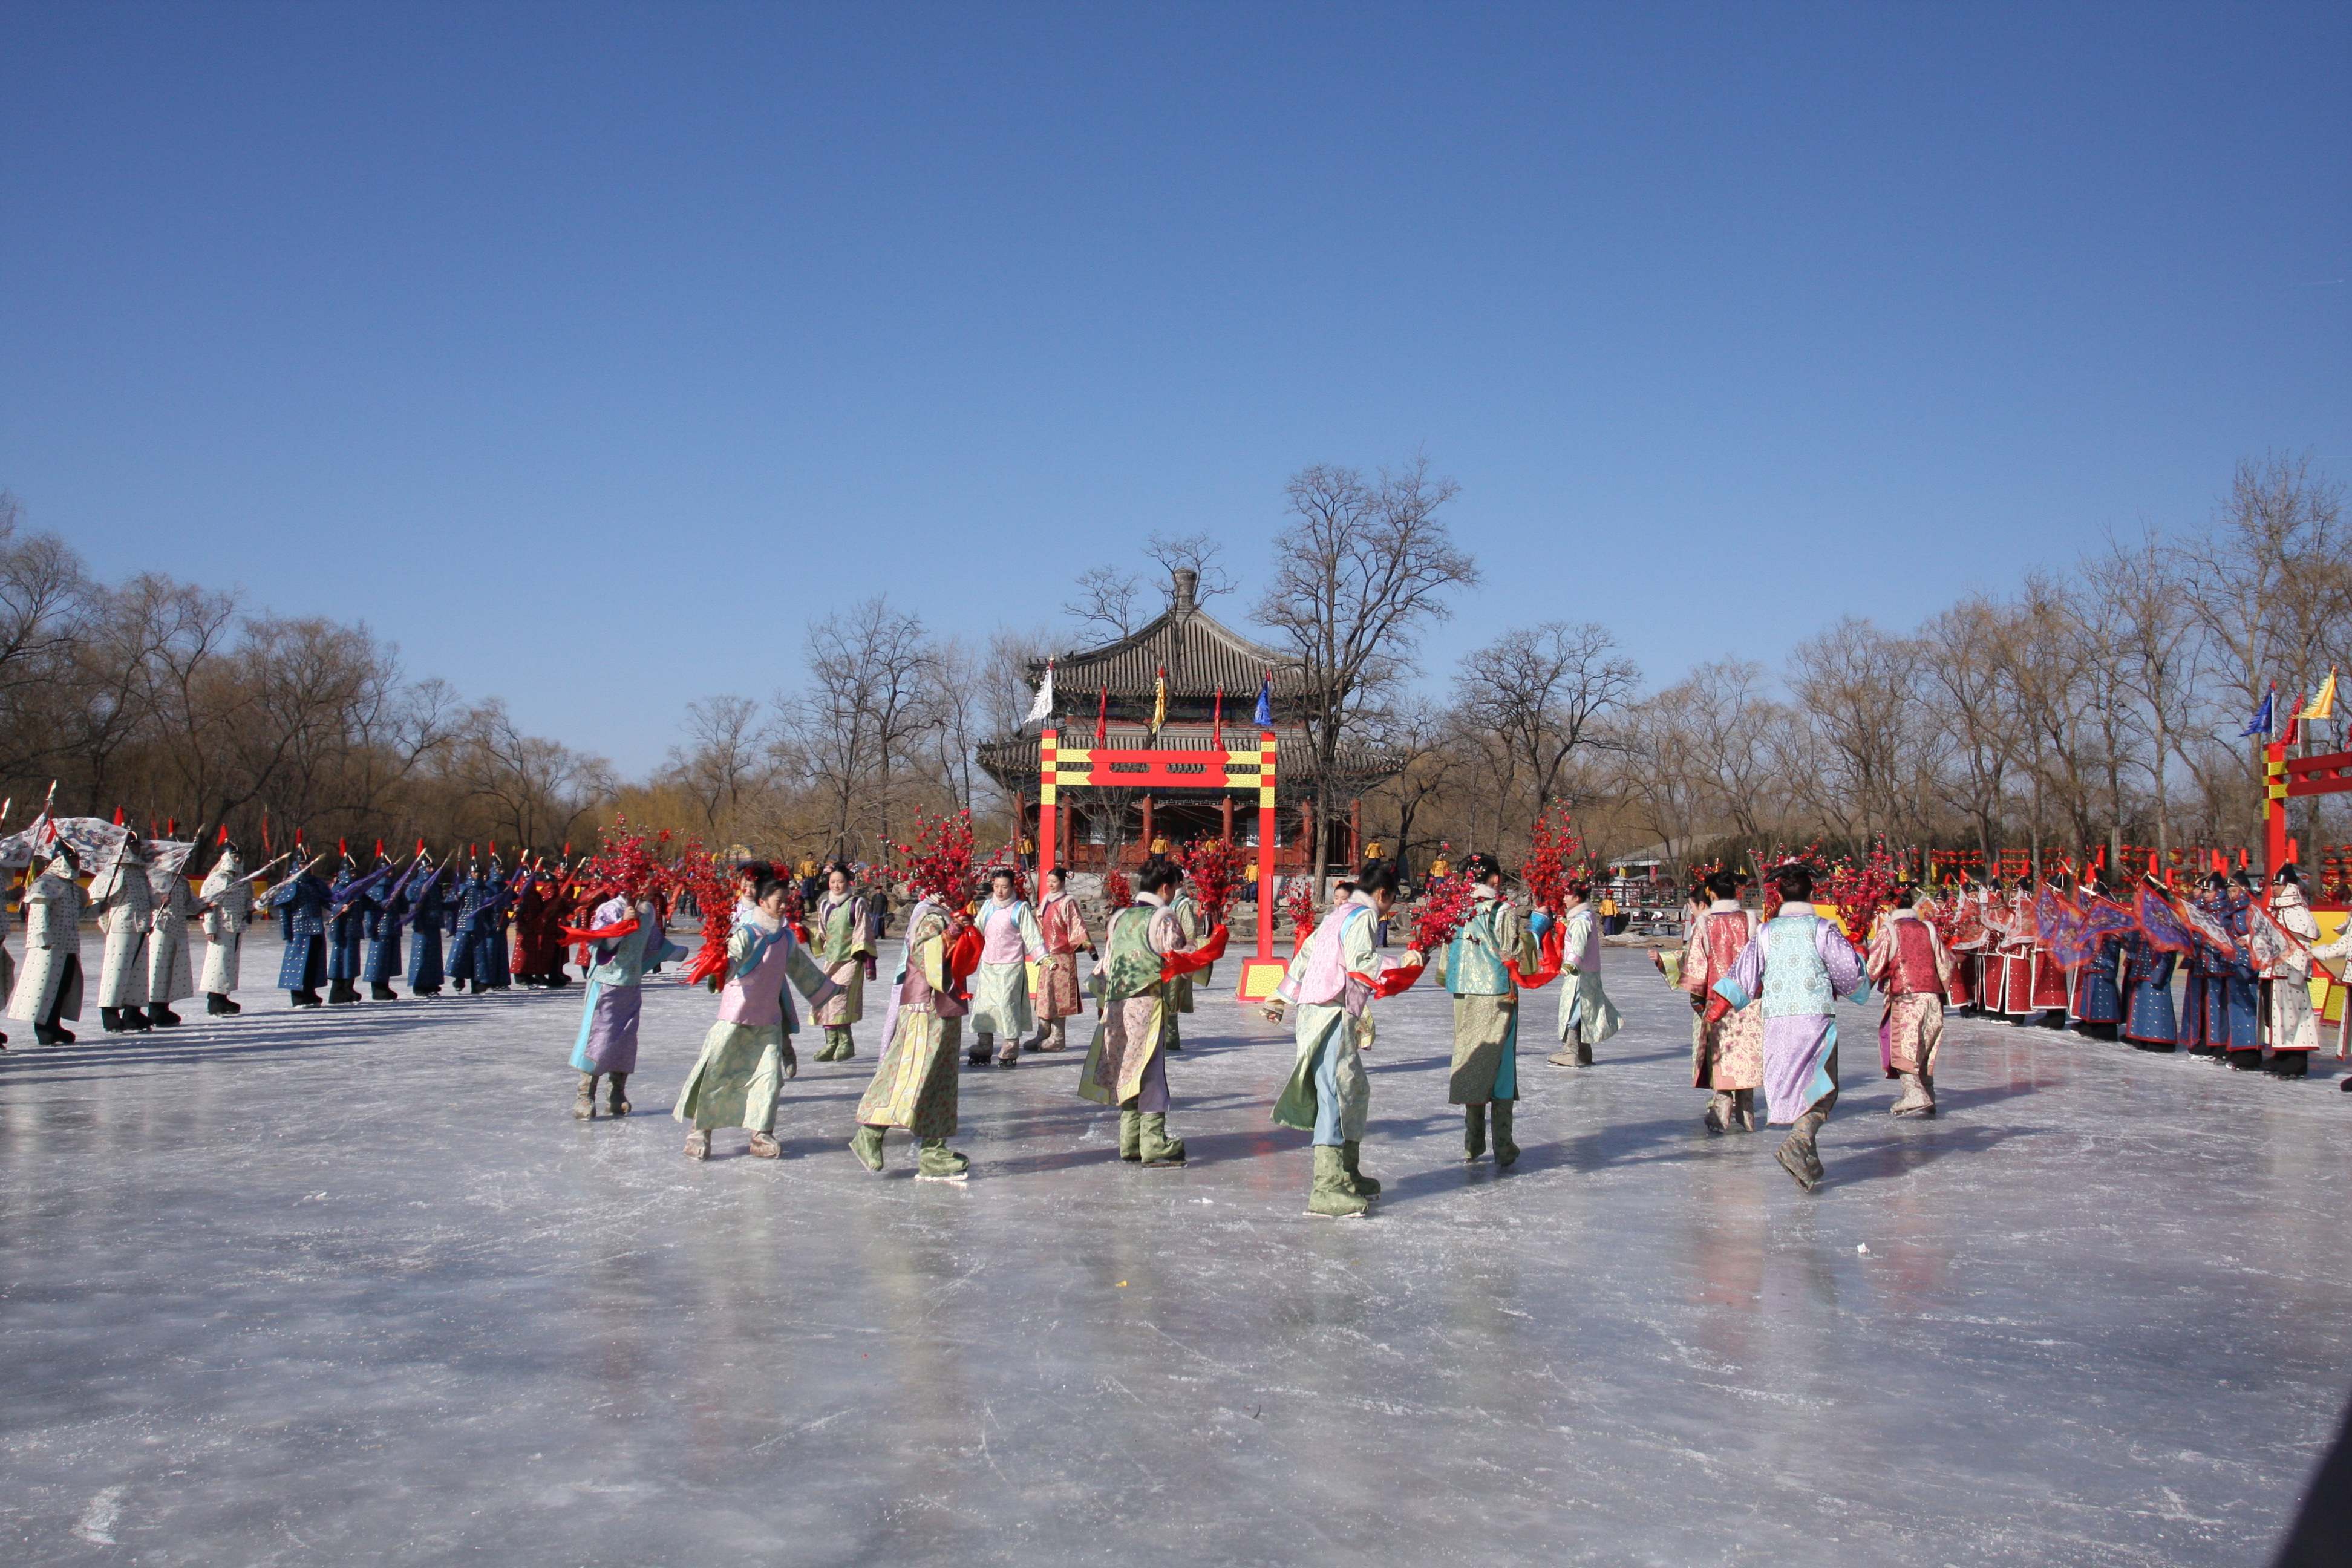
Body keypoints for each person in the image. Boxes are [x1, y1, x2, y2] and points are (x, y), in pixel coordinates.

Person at [1270, 860, 1421, 1217]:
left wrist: (1281, 996)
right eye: (1390, 903)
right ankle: (1327, 1186)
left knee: (1351, 1088)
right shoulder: (1364, 916)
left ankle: (1347, 1173)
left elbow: (1306, 954)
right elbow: (1361, 962)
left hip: (1316, 1009)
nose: (1387, 912)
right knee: (1338, 1092)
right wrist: (1406, 961)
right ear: (1382, 894)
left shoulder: (1339, 914)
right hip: (1330, 1010)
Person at [1709, 864, 1872, 1192]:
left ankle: (1805, 1158)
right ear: (1812, 894)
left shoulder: (1768, 933)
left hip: (1777, 1021)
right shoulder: (1823, 929)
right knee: (1824, 1086)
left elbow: (1744, 972)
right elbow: (1848, 973)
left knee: (1796, 1085)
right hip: (1814, 1019)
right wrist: (1861, 961)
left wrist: (1720, 1006)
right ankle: (1800, 1141)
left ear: (1779, 895)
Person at [675, 872, 838, 1159]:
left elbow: (803, 971)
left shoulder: (786, 937)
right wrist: (720, 966)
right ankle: (700, 1131)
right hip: (736, 1017)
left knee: (768, 1080)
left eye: (787, 901)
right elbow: (729, 963)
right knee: (718, 1076)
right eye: (779, 901)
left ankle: (761, 1134)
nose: (785, 906)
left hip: (769, 1020)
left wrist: (829, 990)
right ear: (762, 901)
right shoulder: (747, 934)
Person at [1079, 858, 1220, 1167]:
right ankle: (1154, 1142)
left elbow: (1105, 965)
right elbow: (1178, 956)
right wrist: (1210, 944)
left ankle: (1129, 1140)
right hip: (1146, 1003)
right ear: (1166, 887)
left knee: (1127, 1068)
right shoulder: (1163, 917)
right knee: (1151, 1071)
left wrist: (1104, 1001)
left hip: (1117, 1005)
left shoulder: (1120, 917)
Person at [851, 893, 983, 1179]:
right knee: (910, 1072)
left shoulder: (950, 915)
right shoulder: (930, 916)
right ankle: (871, 1131)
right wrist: (951, 933)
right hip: (924, 1007)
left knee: (941, 1078)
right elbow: (925, 957)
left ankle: (934, 1149)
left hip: (946, 1005)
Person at [1442, 852, 1540, 1166]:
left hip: (1465, 994)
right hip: (1498, 993)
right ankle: (1503, 1144)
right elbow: (1512, 954)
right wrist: (1535, 935)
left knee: (1472, 1057)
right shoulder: (1503, 910)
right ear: (1495, 878)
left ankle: (1472, 1142)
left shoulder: (1456, 910)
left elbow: (1448, 954)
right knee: (1500, 1063)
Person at [565, 878, 686, 1119]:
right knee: (599, 1037)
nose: (653, 888)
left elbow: (653, 943)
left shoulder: (648, 910)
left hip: (631, 983)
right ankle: (585, 1095)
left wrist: (673, 952)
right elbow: (597, 943)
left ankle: (617, 1093)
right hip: (607, 984)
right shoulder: (610, 909)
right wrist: (622, 924)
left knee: (625, 1039)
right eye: (648, 882)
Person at [1677, 869, 1763, 1133]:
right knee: (1746, 1055)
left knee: (1723, 1055)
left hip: (1718, 1000)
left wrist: (1698, 1001)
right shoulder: (1752, 921)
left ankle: (1721, 1111)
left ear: (1712, 894)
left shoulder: (1704, 924)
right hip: (1750, 1000)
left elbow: (1697, 967)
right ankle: (1747, 1111)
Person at [1866, 884, 1952, 1116]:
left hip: (1906, 996)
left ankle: (1914, 1093)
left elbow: (1874, 964)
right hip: (1932, 996)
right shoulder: (1928, 928)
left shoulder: (1891, 930)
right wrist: (1941, 989)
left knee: (1904, 1044)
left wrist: (1862, 985)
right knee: (1925, 1044)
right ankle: (1929, 1094)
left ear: (1893, 905)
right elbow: (1946, 962)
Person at [967, 867, 1045, 1067]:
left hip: (1010, 966)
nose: (1000, 891)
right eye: (996, 886)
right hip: (989, 964)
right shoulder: (987, 906)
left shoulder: (1020, 909)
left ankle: (1010, 1045)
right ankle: (984, 1044)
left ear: (1012, 887)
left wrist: (1044, 957)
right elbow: (978, 930)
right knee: (985, 1006)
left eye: (1004, 887)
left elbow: (1032, 936)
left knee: (1006, 1006)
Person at [10, 847, 85, 1044]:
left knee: (63, 986)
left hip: (68, 944)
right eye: (72, 859)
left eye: (77, 859)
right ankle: (44, 1029)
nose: (77, 863)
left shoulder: (71, 886)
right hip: (50, 946)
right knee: (46, 988)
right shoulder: (45, 882)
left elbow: (78, 914)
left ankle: (54, 1024)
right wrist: (43, 937)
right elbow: (38, 913)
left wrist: (98, 908)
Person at [809, 861, 877, 1060]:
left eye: (840, 882)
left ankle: (846, 1042)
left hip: (850, 960)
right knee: (826, 999)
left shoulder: (856, 904)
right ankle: (831, 1042)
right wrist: (808, 936)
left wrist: (868, 963)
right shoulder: (824, 905)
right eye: (832, 882)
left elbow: (864, 932)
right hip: (831, 960)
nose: (836, 886)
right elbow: (823, 933)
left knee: (841, 999)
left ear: (849, 882)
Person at [89, 834, 155, 1033]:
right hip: (122, 924)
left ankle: (133, 1012)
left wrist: (159, 901)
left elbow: (147, 897)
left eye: (138, 844)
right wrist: (107, 925)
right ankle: (110, 1014)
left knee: (138, 971)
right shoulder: (113, 869)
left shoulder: (140, 870)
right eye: (132, 844)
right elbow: (98, 898)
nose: (136, 848)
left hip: (141, 924)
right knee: (116, 970)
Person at [1549, 880, 1621, 1067]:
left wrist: (1570, 965)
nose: (1564, 899)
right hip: (1589, 972)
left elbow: (1578, 946)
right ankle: (1584, 1053)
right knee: (1584, 1012)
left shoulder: (1581, 920)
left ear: (1576, 898)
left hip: (1580, 974)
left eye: (1567, 895)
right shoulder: (1586, 917)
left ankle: (1571, 1052)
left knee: (1574, 1009)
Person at [2261, 864, 2321, 1077]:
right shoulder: (2272, 911)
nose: (2274, 888)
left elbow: (2307, 938)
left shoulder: (2298, 912)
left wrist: (2300, 970)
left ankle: (2297, 1059)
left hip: (2291, 971)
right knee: (2275, 1014)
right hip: (2272, 971)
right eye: (2273, 884)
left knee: (2293, 1014)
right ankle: (2282, 1053)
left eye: (2278, 884)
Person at [1031, 865, 1093, 1051]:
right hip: (1047, 955)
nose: (1051, 885)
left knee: (1059, 996)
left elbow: (1077, 925)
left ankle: (1058, 1037)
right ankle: (1043, 1033)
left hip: (1062, 955)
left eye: (1054, 881)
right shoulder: (1045, 901)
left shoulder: (1068, 902)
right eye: (1048, 881)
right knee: (1044, 995)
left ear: (1063, 882)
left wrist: (1086, 945)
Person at [143, 842, 198, 1028]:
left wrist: (208, 904)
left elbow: (190, 905)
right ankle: (154, 1007)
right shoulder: (152, 876)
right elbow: (144, 900)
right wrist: (158, 901)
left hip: (178, 927)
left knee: (171, 969)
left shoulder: (181, 880)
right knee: (157, 968)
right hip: (160, 927)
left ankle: (164, 1005)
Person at [267, 854, 332, 1007]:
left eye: (307, 863)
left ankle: (310, 992)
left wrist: (340, 906)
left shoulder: (315, 883)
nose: (305, 866)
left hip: (316, 928)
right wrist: (286, 931)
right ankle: (297, 995)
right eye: (302, 864)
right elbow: (284, 910)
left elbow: (327, 901)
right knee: (297, 963)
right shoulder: (291, 884)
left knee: (313, 964)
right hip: (299, 929)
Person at [198, 838, 252, 1016]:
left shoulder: (243, 880)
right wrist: (210, 927)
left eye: (239, 857)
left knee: (230, 964)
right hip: (221, 926)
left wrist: (257, 905)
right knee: (218, 963)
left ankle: (223, 996)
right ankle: (214, 1001)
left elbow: (247, 903)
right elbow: (209, 904)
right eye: (234, 856)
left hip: (236, 925)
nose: (237, 860)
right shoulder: (217, 878)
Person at [2069, 878, 2124, 1040]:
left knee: (2104, 994)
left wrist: (2110, 964)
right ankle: (2092, 1024)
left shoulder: (2109, 912)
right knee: (2092, 992)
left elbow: (2114, 938)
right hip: (2094, 958)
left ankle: (2105, 1029)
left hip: (2105, 959)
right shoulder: (2097, 911)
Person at [405, 854, 454, 998]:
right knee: (422, 956)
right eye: (429, 867)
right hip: (423, 926)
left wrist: (451, 905)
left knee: (434, 956)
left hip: (434, 924)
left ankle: (432, 984)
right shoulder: (416, 885)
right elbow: (414, 907)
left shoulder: (434, 885)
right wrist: (417, 925)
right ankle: (420, 985)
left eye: (433, 867)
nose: (432, 870)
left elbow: (437, 905)